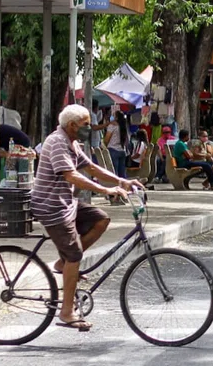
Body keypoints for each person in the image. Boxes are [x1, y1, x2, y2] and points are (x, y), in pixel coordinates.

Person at [31, 104, 143, 331]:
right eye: (85, 125)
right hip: (51, 206)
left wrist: (122, 182)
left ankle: (63, 263)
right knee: (76, 256)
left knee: (101, 219)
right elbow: (71, 175)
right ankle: (66, 311)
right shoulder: (57, 142)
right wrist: (105, 191)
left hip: (66, 203)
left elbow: (91, 168)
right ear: (72, 125)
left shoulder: (72, 142)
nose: (89, 128)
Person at [105, 110, 130, 180]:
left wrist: (106, 145)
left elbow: (106, 139)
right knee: (122, 173)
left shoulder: (112, 126)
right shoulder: (124, 126)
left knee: (114, 172)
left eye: (113, 115)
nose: (111, 117)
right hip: (122, 150)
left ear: (116, 117)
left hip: (113, 149)